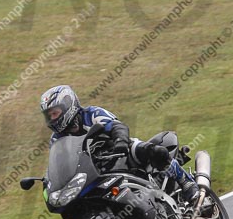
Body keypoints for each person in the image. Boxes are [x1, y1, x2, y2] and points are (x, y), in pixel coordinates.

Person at [40, 84, 200, 202]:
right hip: (95, 170)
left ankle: (186, 182)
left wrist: (121, 142)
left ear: (68, 105)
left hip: (119, 151)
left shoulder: (91, 114)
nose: (53, 118)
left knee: (154, 151)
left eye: (55, 113)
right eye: (49, 115)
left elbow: (117, 126)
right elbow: (59, 163)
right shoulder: (56, 138)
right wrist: (50, 180)